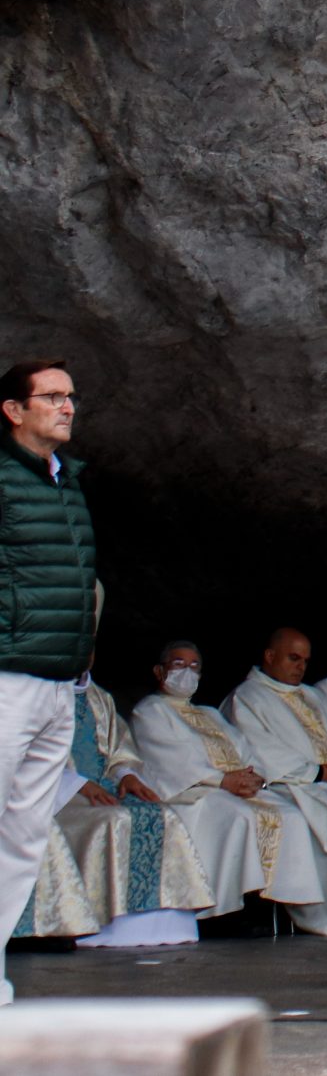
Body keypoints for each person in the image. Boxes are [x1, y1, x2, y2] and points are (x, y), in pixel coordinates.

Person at [0, 358, 97, 1006]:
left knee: (24, 835)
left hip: (59, 683)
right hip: (7, 677)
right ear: (14, 409)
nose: (67, 407)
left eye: (70, 396)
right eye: (52, 396)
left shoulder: (68, 480)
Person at [132, 640, 327, 929]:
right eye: (179, 664)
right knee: (240, 816)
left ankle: (274, 908)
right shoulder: (150, 710)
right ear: (159, 671)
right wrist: (222, 780)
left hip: (235, 788)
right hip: (193, 791)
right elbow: (171, 760)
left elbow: (244, 747)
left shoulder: (209, 713)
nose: (187, 672)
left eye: (194, 666)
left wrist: (254, 776)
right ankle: (226, 911)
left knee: (292, 816)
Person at [16, 665, 215, 947]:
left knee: (164, 815)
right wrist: (79, 784)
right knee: (113, 820)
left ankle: (165, 927)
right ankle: (101, 925)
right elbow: (26, 754)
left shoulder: (100, 698)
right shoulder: (35, 695)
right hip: (60, 794)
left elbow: (120, 748)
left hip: (106, 787)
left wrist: (127, 775)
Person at [222, 628, 327, 905]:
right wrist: (318, 773)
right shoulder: (247, 697)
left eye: (305, 661)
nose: (301, 666)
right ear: (269, 656)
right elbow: (260, 750)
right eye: (293, 658)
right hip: (289, 784)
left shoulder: (312, 695)